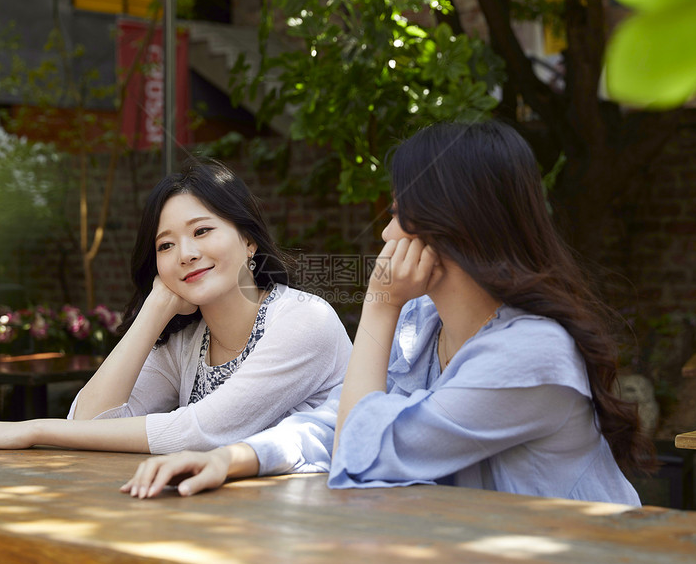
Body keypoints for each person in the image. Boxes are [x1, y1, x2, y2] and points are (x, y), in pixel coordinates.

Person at [120, 120, 655, 504]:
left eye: (400, 215)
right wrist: (232, 459)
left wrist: (379, 304)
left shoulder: (529, 352)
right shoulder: (425, 324)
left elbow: (363, 453)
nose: (386, 234)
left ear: (454, 223)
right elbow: (336, 423)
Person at [0, 160, 352, 453]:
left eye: (202, 231)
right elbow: (89, 425)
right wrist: (156, 308)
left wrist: (34, 430)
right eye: (165, 245)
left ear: (249, 241)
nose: (185, 254)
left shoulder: (302, 320)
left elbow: (201, 431)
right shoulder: (188, 341)